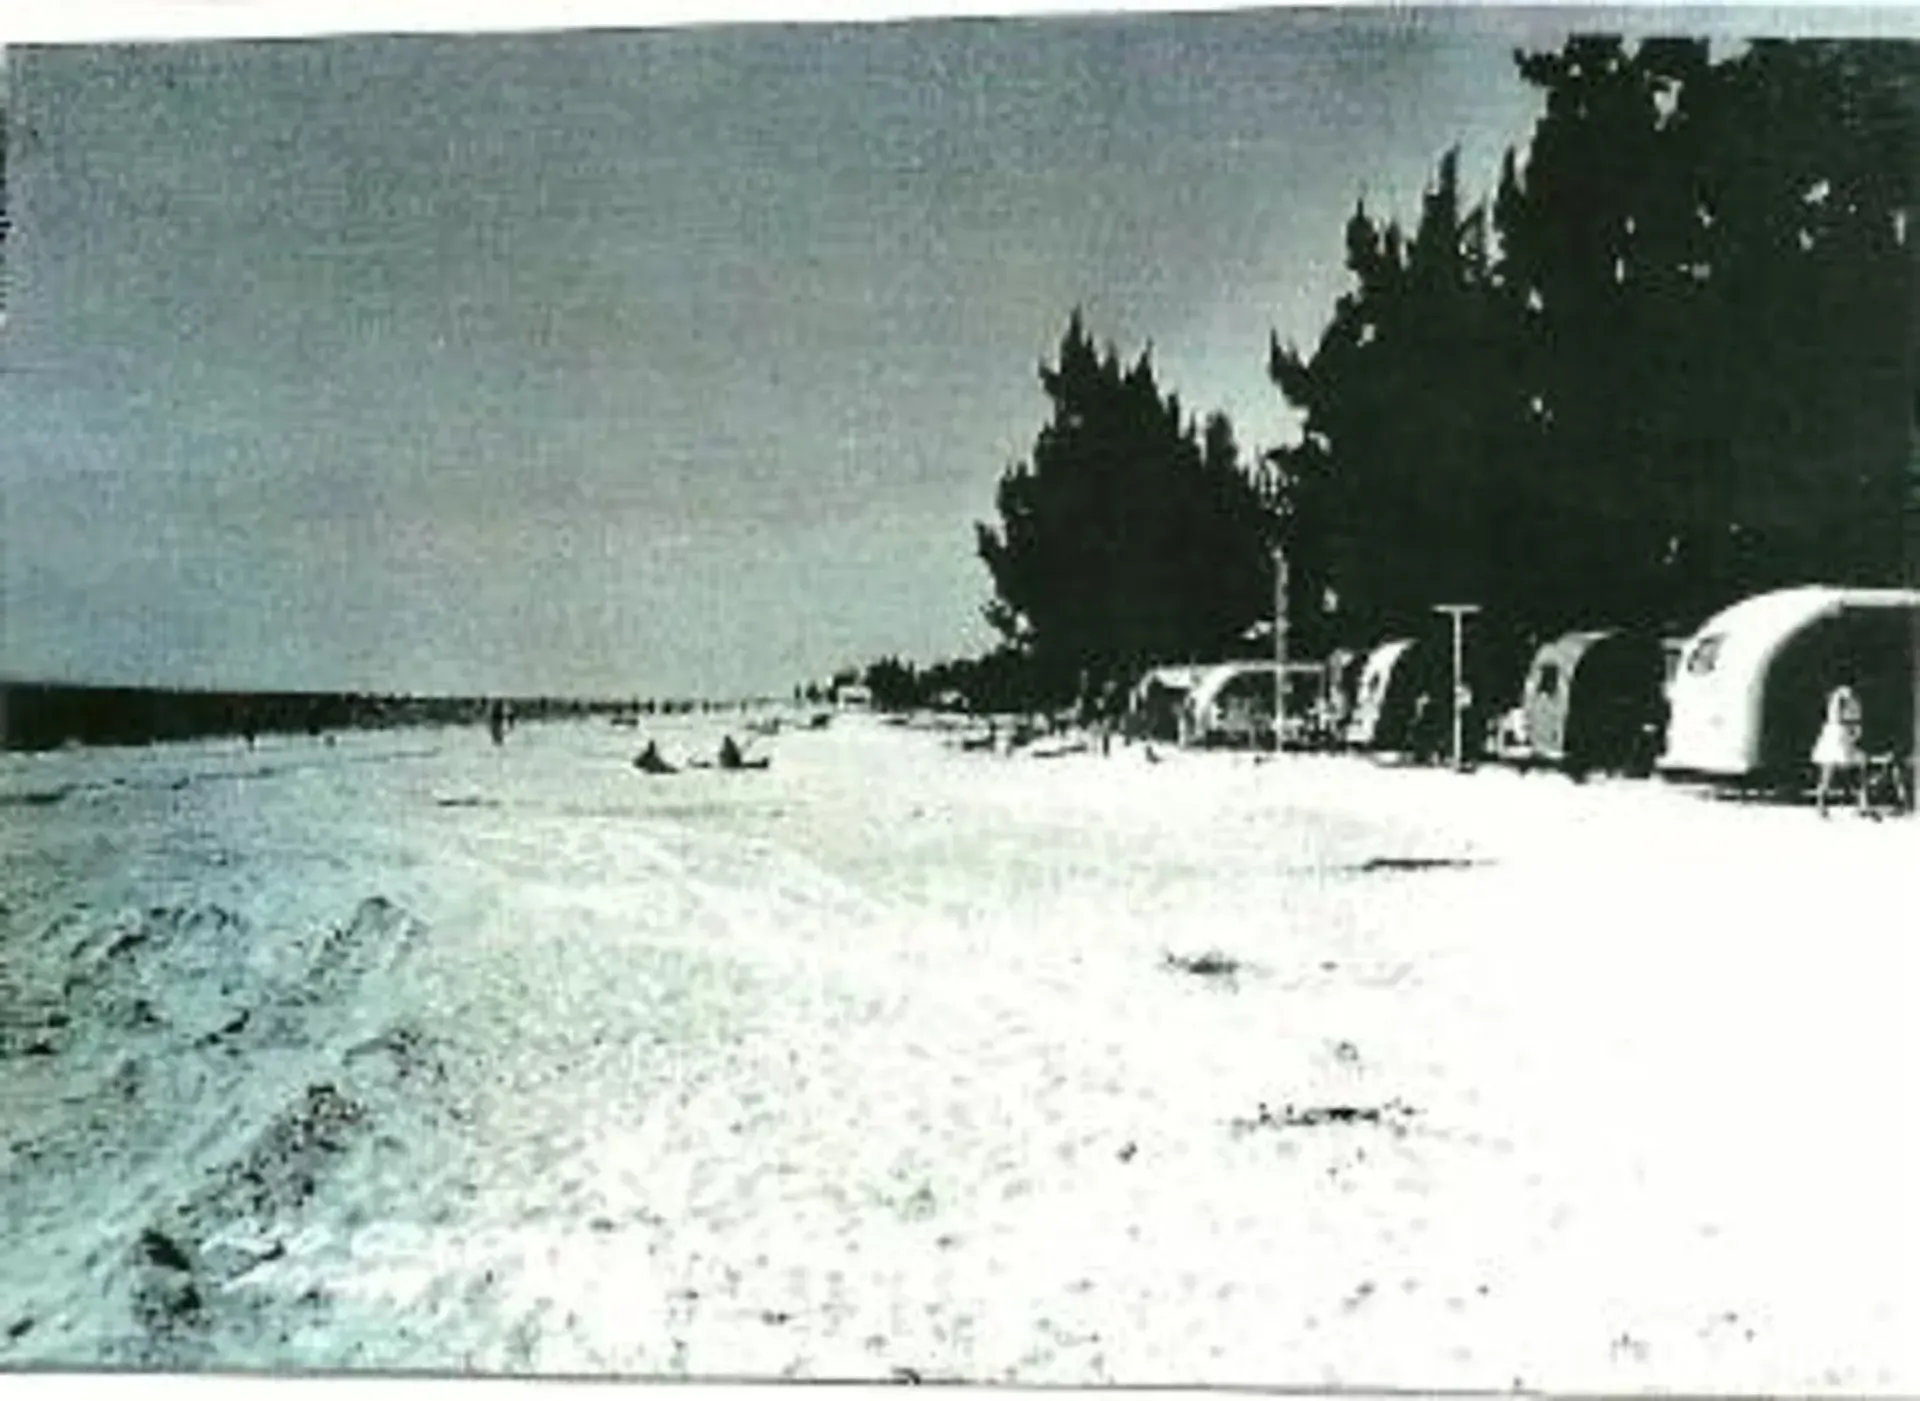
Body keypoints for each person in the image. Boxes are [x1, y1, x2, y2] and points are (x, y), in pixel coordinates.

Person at [1811, 681, 1866, 818]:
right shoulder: (1842, 697)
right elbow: (1842, 717)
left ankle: (1861, 804)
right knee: (1829, 773)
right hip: (1837, 737)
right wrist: (1852, 727)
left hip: (1842, 736)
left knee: (1854, 772)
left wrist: (1853, 730)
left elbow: (1852, 717)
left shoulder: (1846, 697)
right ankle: (1821, 805)